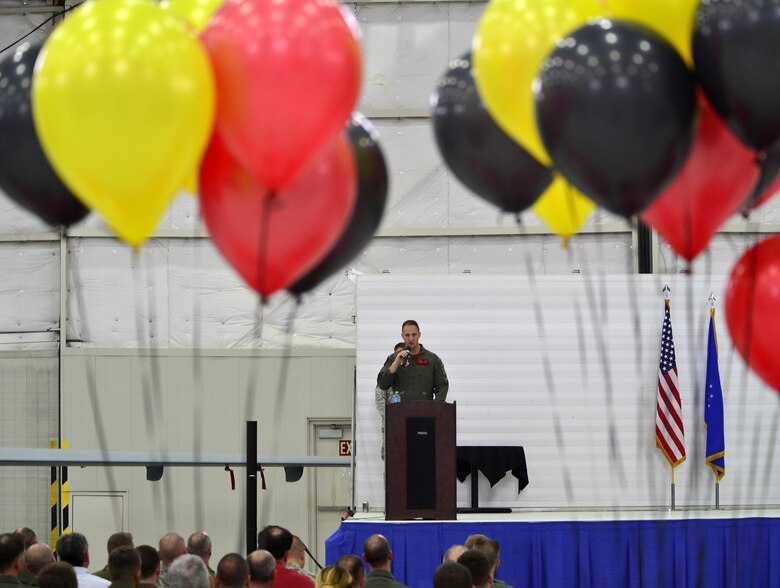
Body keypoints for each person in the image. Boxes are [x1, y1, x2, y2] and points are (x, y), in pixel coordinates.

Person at [377, 320, 448, 402]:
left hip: (425, 408)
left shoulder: (432, 359)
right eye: (407, 335)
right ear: (402, 336)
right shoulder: (394, 358)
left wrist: (436, 406)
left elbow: (442, 386)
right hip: (401, 408)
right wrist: (396, 364)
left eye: (414, 334)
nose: (411, 339)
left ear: (419, 334)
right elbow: (382, 384)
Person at [375, 342, 406, 460]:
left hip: (410, 422)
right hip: (391, 424)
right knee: (390, 457)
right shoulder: (387, 376)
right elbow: (380, 400)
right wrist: (393, 416)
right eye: (398, 354)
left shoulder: (412, 374)